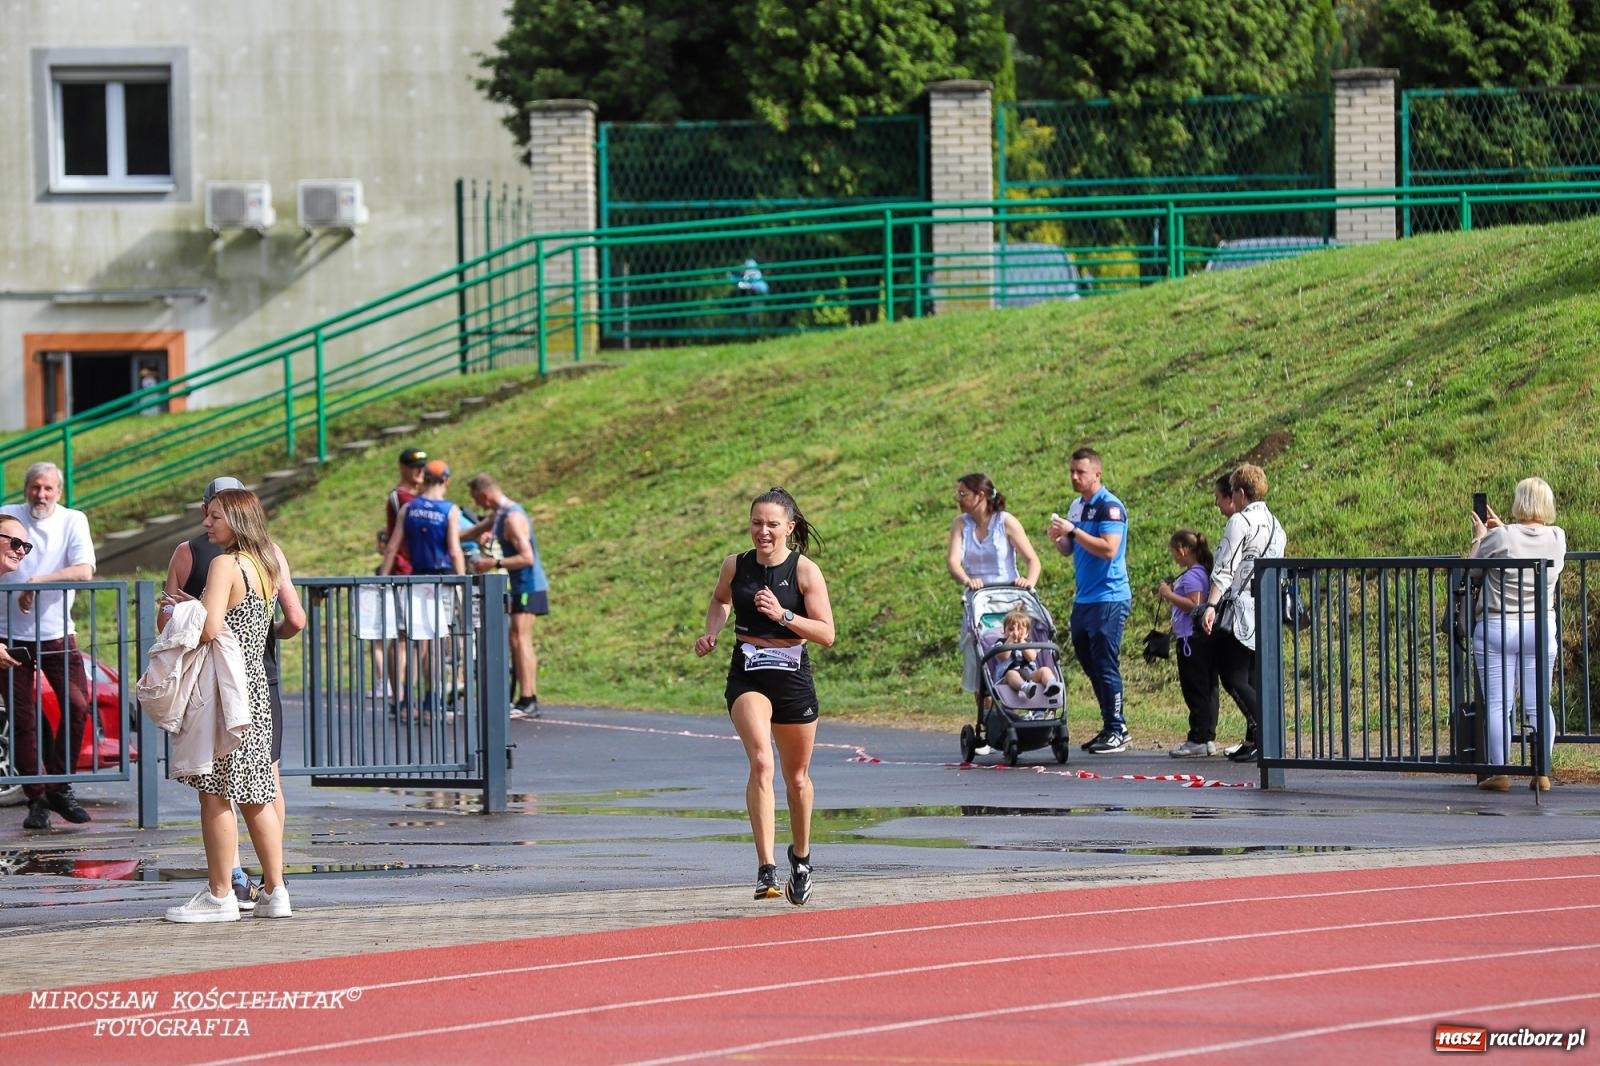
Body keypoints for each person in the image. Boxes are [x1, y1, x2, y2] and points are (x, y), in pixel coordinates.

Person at [163, 475, 305, 909]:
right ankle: (276, 891)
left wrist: (180, 609)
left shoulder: (225, 565)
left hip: (225, 688)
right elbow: (290, 619)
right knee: (260, 789)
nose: (206, 522)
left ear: (237, 518)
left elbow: (208, 628)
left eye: (215, 515)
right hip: (259, 685)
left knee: (216, 791)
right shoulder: (265, 560)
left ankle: (222, 894)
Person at [695, 487, 835, 906]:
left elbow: (827, 634)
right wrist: (712, 632)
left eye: (773, 524)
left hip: (792, 676)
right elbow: (720, 601)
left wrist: (784, 616)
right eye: (757, 523)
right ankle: (766, 867)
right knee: (761, 761)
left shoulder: (805, 570)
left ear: (790, 527)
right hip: (748, 674)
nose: (764, 532)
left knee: (796, 778)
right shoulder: (735, 565)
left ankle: (802, 858)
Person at [1, 462, 97, 831]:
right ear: (26, 488)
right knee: (23, 721)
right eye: (35, 487)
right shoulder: (9, 516)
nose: (41, 494)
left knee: (77, 705)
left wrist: (37, 581)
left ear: (59, 492)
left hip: (58, 633)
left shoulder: (73, 520)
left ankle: (59, 785)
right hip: (9, 635)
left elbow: (85, 569)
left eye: (48, 489)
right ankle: (37, 798)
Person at [1468, 477, 1565, 793]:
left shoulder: (1502, 536)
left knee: (1498, 704)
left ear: (1519, 502)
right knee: (1539, 704)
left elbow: (1472, 570)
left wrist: (1481, 537)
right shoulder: (1557, 537)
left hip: (1498, 625)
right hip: (1539, 627)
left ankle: (1501, 772)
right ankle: (1542, 770)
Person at [1199, 464, 1286, 764]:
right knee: (1251, 675)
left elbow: (1224, 568)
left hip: (1240, 611)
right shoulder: (1276, 525)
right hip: (1266, 607)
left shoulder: (1240, 521)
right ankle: (1253, 739)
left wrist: (1210, 605)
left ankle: (1266, 731)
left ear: (1238, 492)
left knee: (1233, 677)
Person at [1047, 448, 1132, 754]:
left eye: (1080, 472)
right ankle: (1109, 723)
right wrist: (1060, 539)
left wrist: (1074, 531)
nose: (1074, 477)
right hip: (1084, 597)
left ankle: (1118, 728)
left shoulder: (1110, 507)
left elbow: (1109, 549)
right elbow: (1070, 550)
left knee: (1106, 664)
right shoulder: (1076, 507)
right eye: (1071, 471)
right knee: (1089, 661)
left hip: (1109, 596)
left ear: (1097, 474)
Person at [946, 473, 1042, 730]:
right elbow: (953, 561)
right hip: (979, 603)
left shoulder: (1005, 522)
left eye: (963, 493)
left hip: (1008, 601)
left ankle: (1025, 708)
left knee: (1016, 655)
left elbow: (1032, 560)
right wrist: (967, 579)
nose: (959, 498)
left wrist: (1028, 583)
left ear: (980, 495)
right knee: (981, 662)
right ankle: (988, 723)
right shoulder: (961, 524)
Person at [380, 459, 464, 718]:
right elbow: (454, 548)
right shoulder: (450, 510)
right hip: (443, 579)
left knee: (412, 641)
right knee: (437, 641)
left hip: (416, 579)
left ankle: (405, 699)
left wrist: (383, 578)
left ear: (424, 478)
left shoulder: (409, 508)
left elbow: (393, 546)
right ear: (446, 481)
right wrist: (462, 580)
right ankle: (431, 699)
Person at [466, 473, 549, 720]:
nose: (478, 505)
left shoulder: (512, 517)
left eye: (476, 500)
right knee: (517, 639)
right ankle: (527, 698)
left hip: (529, 584)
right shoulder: (499, 515)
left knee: (519, 638)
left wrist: (495, 562)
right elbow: (472, 531)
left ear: (485, 495)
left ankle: (528, 699)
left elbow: (527, 557)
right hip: (521, 585)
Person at [1158, 529, 1219, 757]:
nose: (1174, 557)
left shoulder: (1193, 575)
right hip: (1199, 639)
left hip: (1190, 639)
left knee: (1195, 689)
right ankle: (1207, 736)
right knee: (1207, 688)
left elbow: (1195, 605)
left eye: (1174, 552)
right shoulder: (1200, 572)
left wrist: (1168, 594)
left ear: (1183, 550)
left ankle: (1198, 737)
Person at [995, 607, 1060, 700]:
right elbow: (1003, 657)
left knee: (1044, 670)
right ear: (1004, 631)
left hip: (1029, 676)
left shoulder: (1028, 644)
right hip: (1007, 679)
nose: (1015, 632)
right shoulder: (1001, 643)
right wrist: (1010, 640)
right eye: (1010, 629)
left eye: (1020, 630)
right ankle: (1024, 687)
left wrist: (1021, 642)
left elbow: (1031, 657)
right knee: (1011, 673)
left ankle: (1052, 684)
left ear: (1027, 634)